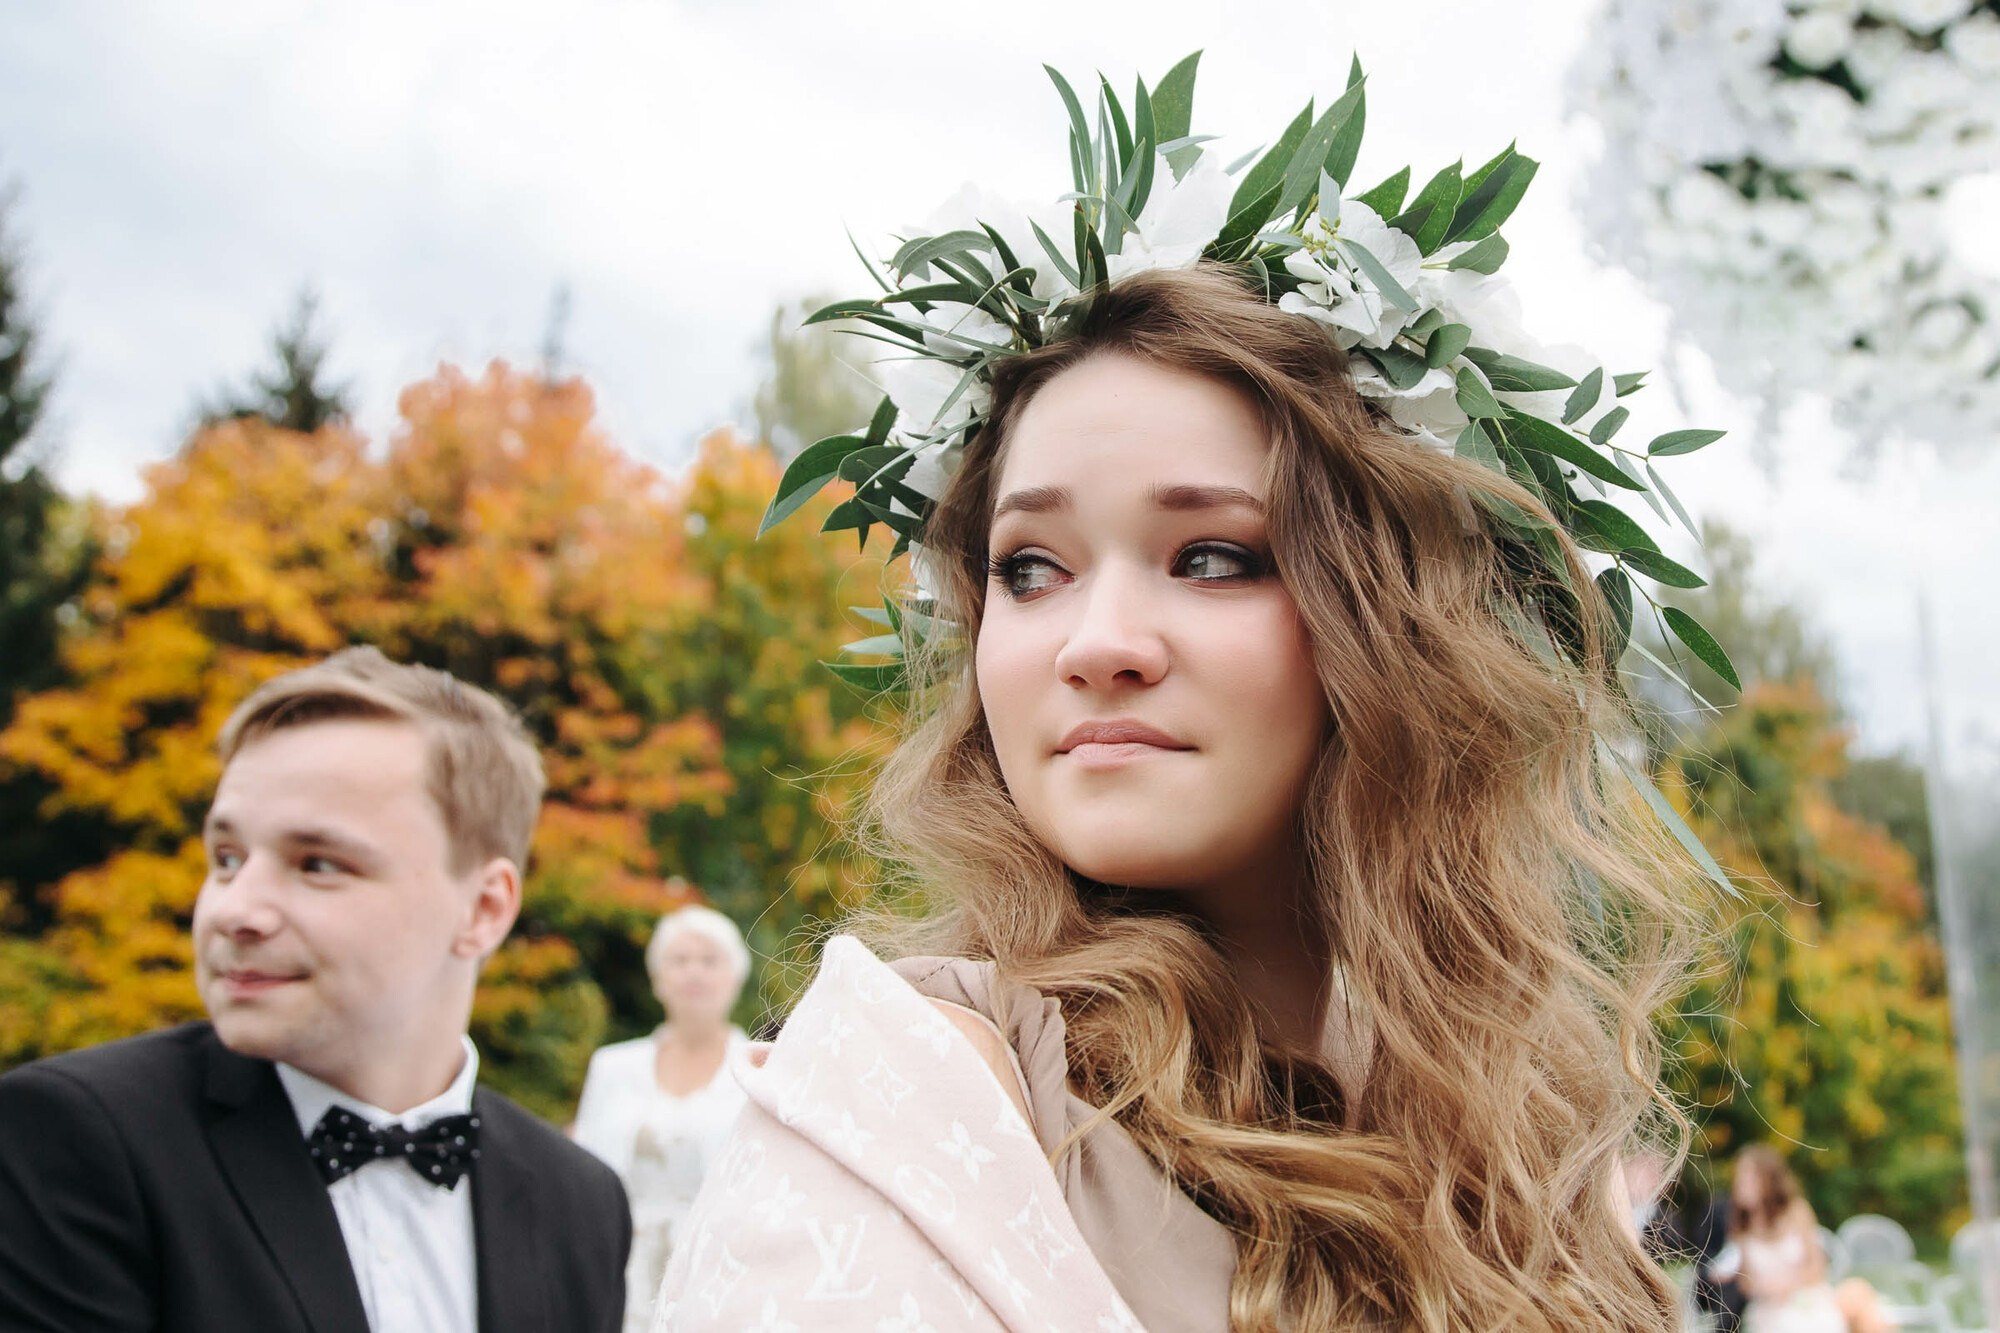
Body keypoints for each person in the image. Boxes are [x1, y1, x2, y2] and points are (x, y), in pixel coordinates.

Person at [657, 56, 1721, 1333]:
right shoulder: (905, 1103)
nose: (1095, 643)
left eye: (1211, 556)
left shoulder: (1518, 1142)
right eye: (1029, 568)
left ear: (1405, 629)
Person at [0, 647, 630, 1333]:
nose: (235, 909)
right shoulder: (74, 1140)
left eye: (318, 863)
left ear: (483, 909)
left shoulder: (581, 1202)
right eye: (228, 858)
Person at [572, 904, 751, 1333]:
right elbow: (583, 1178)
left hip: (720, 1276)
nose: (694, 972)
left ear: (735, 977)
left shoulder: (758, 1072)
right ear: (658, 979)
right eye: (680, 960)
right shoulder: (612, 1067)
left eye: (710, 961)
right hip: (619, 1274)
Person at [1725, 1146, 1889, 1333]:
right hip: (1768, 1309)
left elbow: (1817, 1266)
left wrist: (1789, 1286)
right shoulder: (1742, 1226)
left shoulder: (1797, 1212)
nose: (1741, 1183)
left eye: (1749, 1177)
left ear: (1768, 1179)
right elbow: (1745, 1282)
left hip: (1807, 1297)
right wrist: (1767, 1289)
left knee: (1859, 1296)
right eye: (1739, 1176)